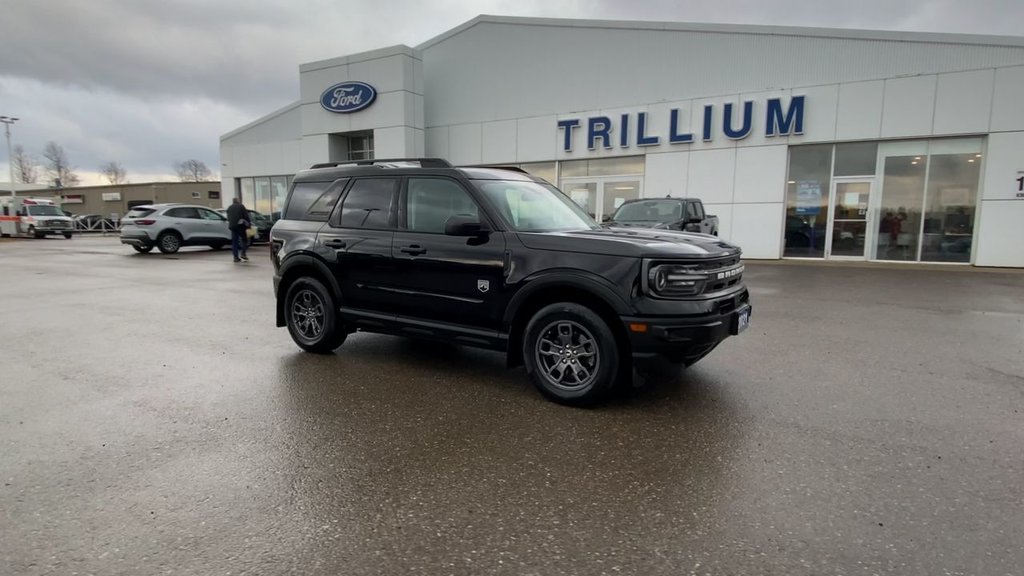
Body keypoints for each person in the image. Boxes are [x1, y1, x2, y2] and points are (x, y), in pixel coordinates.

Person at [226, 197, 251, 262]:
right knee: (245, 240)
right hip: (240, 226)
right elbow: (246, 216)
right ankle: (243, 253)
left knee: (235, 242)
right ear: (238, 201)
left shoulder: (229, 208)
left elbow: (228, 218)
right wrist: (249, 224)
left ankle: (235, 257)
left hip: (232, 226)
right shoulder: (241, 206)